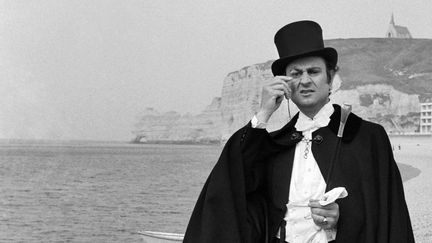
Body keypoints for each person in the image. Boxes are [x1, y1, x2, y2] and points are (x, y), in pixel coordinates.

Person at [184, 20, 414, 243]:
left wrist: (341, 218)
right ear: (285, 84)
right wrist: (263, 114)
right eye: (295, 74)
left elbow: (386, 216)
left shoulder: (366, 137)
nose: (304, 81)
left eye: (313, 72)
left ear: (331, 78)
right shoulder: (276, 144)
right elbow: (230, 184)